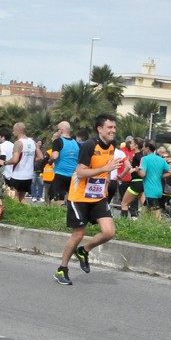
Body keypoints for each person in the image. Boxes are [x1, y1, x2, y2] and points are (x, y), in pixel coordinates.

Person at [53, 113, 122, 285]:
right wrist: (104, 168)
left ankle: (84, 250)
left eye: (114, 127)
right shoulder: (89, 146)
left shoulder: (112, 145)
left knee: (109, 232)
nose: (113, 130)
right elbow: (81, 172)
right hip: (80, 196)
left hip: (98, 196)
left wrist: (105, 180)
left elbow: (106, 169)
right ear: (100, 129)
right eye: (110, 127)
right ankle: (62, 269)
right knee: (78, 234)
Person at [0, 122, 42, 202]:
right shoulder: (32, 142)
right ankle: (29, 213)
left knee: (15, 198)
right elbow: (40, 157)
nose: (13, 132)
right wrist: (29, 159)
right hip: (29, 176)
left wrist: (4, 163)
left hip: (18, 175)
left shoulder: (18, 143)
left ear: (18, 131)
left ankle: (16, 214)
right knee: (22, 198)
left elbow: (15, 160)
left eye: (14, 130)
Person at [138, 140, 171, 219]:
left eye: (144, 147)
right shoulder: (161, 160)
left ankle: (161, 229)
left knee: (157, 217)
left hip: (150, 191)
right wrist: (160, 176)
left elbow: (143, 174)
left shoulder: (145, 159)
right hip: (158, 189)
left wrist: (138, 170)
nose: (142, 149)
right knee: (144, 215)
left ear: (147, 148)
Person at [48, 121, 79, 207]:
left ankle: (59, 215)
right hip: (73, 175)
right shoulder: (76, 143)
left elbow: (54, 156)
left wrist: (49, 161)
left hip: (61, 174)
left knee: (58, 200)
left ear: (61, 130)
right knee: (72, 199)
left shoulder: (58, 141)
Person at [120, 137, 144, 219]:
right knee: (145, 206)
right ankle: (150, 223)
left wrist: (132, 169)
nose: (130, 144)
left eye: (132, 143)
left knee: (124, 204)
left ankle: (122, 223)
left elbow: (141, 167)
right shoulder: (139, 155)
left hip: (136, 182)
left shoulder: (138, 156)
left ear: (136, 145)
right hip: (142, 183)